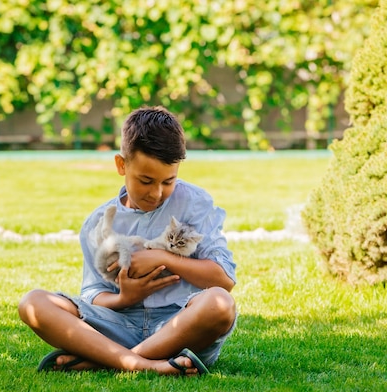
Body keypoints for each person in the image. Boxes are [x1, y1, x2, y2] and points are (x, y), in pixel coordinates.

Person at [18, 106, 237, 376]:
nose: (157, 194)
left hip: (180, 326)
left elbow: (224, 279)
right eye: (146, 181)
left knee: (220, 304)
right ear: (122, 165)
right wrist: (124, 298)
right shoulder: (98, 223)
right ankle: (149, 365)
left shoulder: (195, 203)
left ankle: (108, 360)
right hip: (117, 325)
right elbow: (92, 294)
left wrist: (164, 258)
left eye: (168, 181)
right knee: (33, 303)